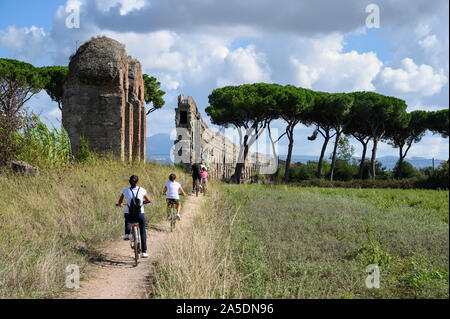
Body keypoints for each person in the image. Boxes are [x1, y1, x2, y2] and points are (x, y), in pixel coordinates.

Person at [116, 175, 151, 258]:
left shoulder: (125, 190)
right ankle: (144, 252)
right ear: (137, 182)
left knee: (127, 217)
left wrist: (120, 204)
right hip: (140, 214)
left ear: (129, 182)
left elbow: (120, 201)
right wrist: (145, 202)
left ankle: (127, 234)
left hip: (130, 214)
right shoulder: (142, 190)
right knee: (142, 231)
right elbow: (148, 200)